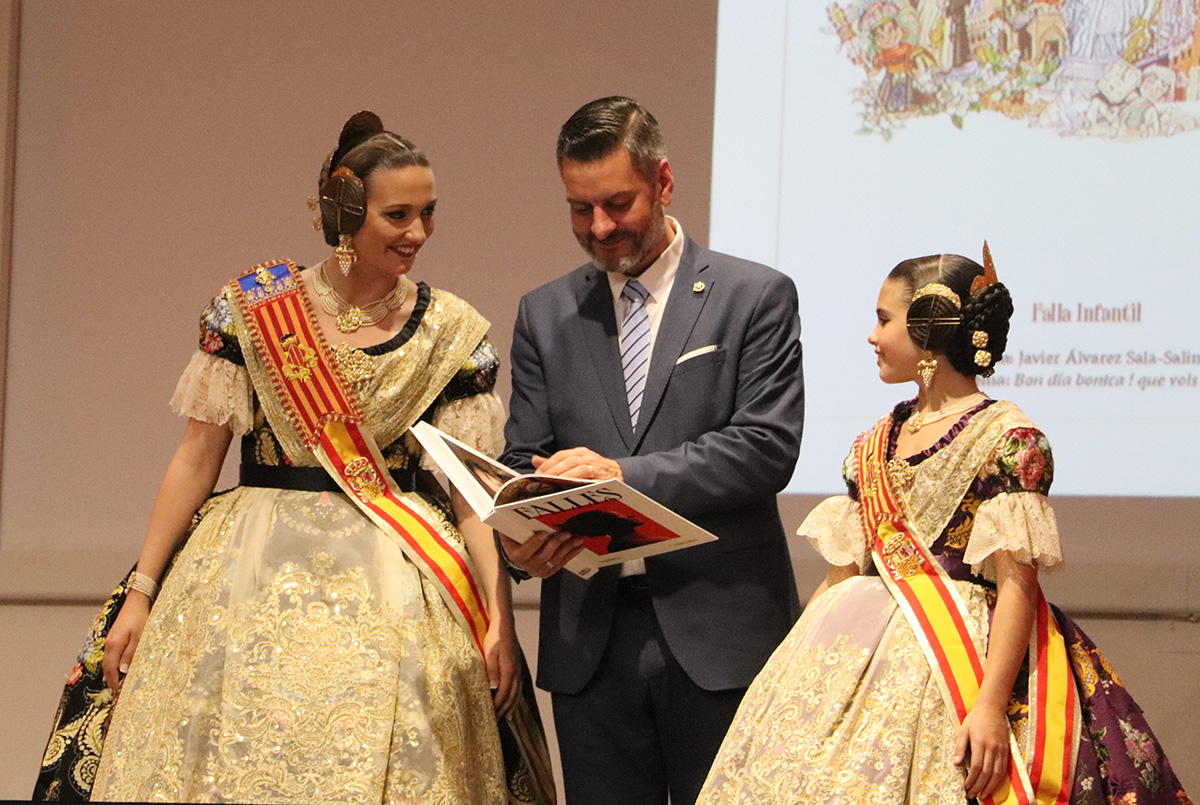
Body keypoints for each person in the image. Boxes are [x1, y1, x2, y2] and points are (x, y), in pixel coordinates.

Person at [34, 112, 553, 804]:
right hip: (246, 571)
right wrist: (142, 591)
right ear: (345, 211)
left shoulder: (452, 332)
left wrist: (499, 616)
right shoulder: (252, 309)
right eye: (398, 214)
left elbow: (469, 492)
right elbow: (196, 460)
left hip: (400, 572)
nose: (418, 233)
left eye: (429, 213)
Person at [697, 249, 1192, 805]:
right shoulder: (872, 443)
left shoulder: (1009, 439)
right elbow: (843, 575)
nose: (871, 336)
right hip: (858, 656)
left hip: (964, 661)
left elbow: (1016, 584)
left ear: (928, 330)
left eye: (884, 320)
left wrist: (987, 706)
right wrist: (787, 672)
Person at [499, 96, 805, 805]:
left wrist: (619, 477)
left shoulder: (752, 295)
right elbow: (525, 461)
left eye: (617, 202)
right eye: (580, 208)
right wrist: (523, 537)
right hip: (590, 645)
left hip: (722, 634)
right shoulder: (545, 313)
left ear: (664, 183)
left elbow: (766, 446)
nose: (599, 226)